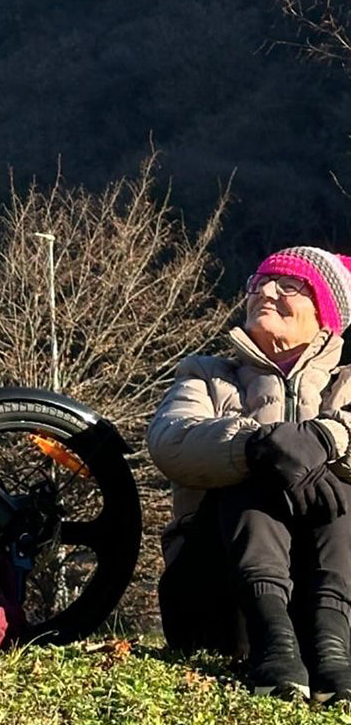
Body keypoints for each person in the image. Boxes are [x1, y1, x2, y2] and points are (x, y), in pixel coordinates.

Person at [147, 246, 351, 702]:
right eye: (258, 283)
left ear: (326, 313)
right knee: (255, 462)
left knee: (339, 482)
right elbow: (169, 439)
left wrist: (328, 438)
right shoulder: (206, 375)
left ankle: (333, 646)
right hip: (219, 596)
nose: (265, 291)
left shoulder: (348, 382)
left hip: (336, 586)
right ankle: (272, 636)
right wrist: (256, 447)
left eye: (289, 285)